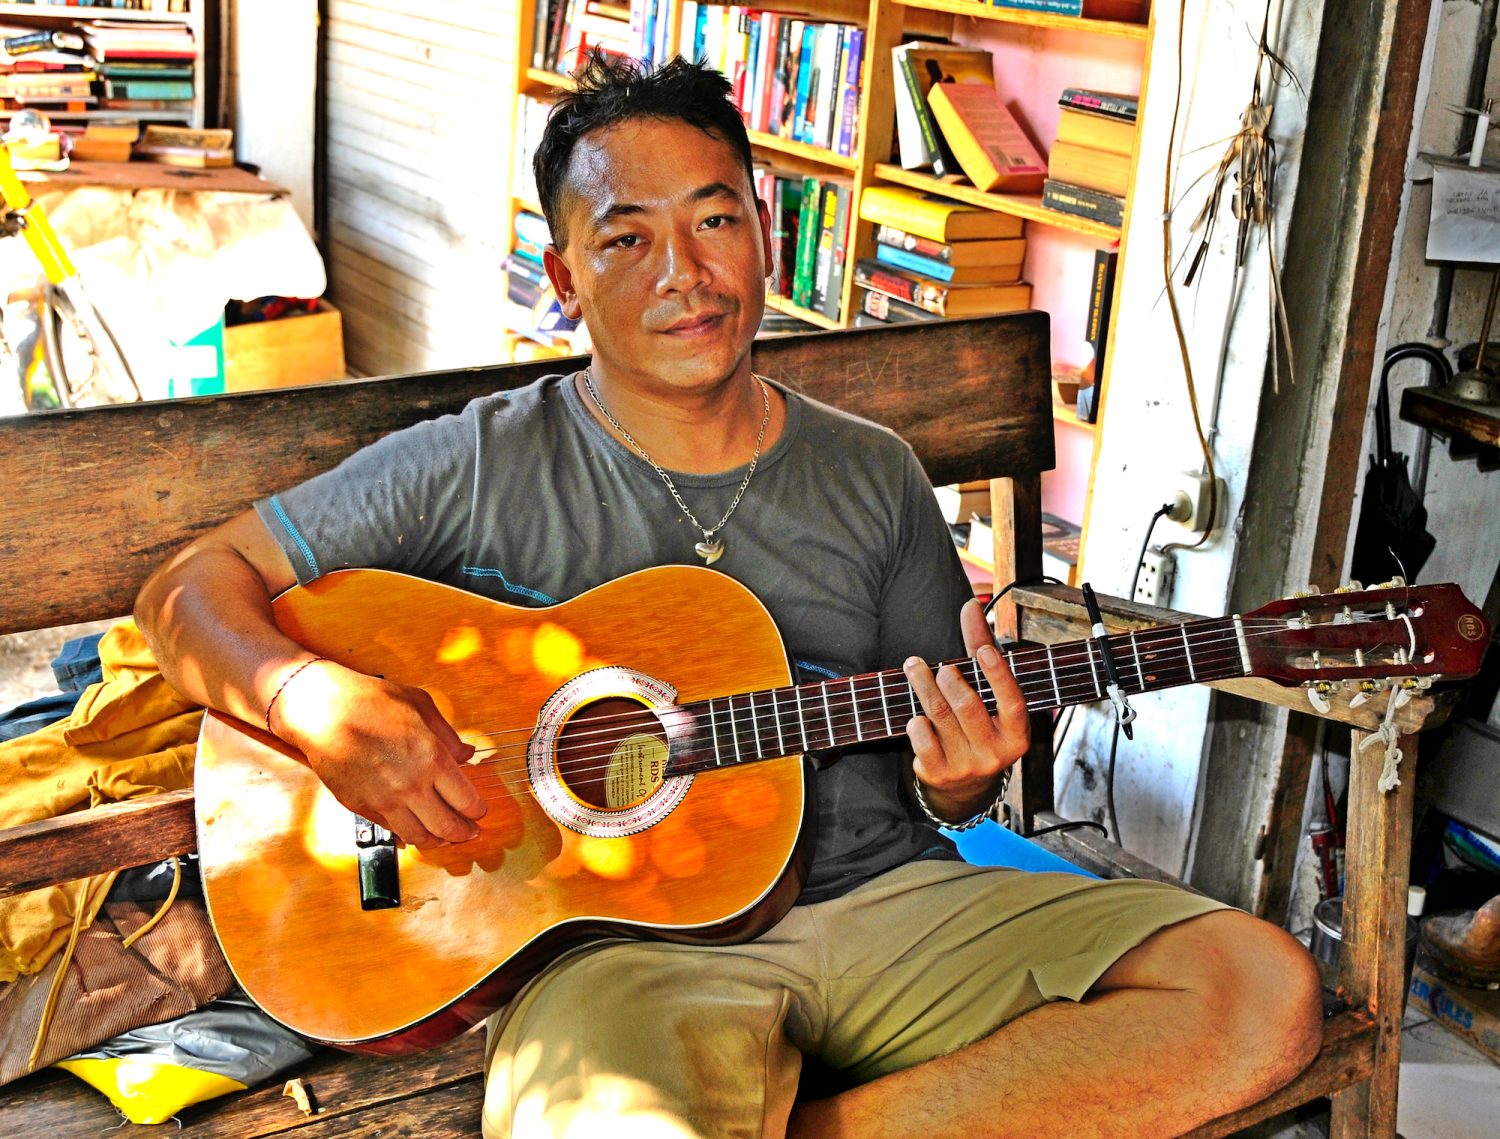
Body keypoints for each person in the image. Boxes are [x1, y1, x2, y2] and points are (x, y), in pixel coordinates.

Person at [135, 53, 1322, 1139]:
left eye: (714, 220)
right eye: (626, 240)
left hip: (893, 903)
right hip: (614, 962)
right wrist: (314, 700)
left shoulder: (871, 470)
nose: (685, 275)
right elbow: (185, 591)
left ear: (763, 229)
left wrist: (961, 777)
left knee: (1258, 993)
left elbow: (945, 752)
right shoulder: (477, 460)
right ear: (564, 276)